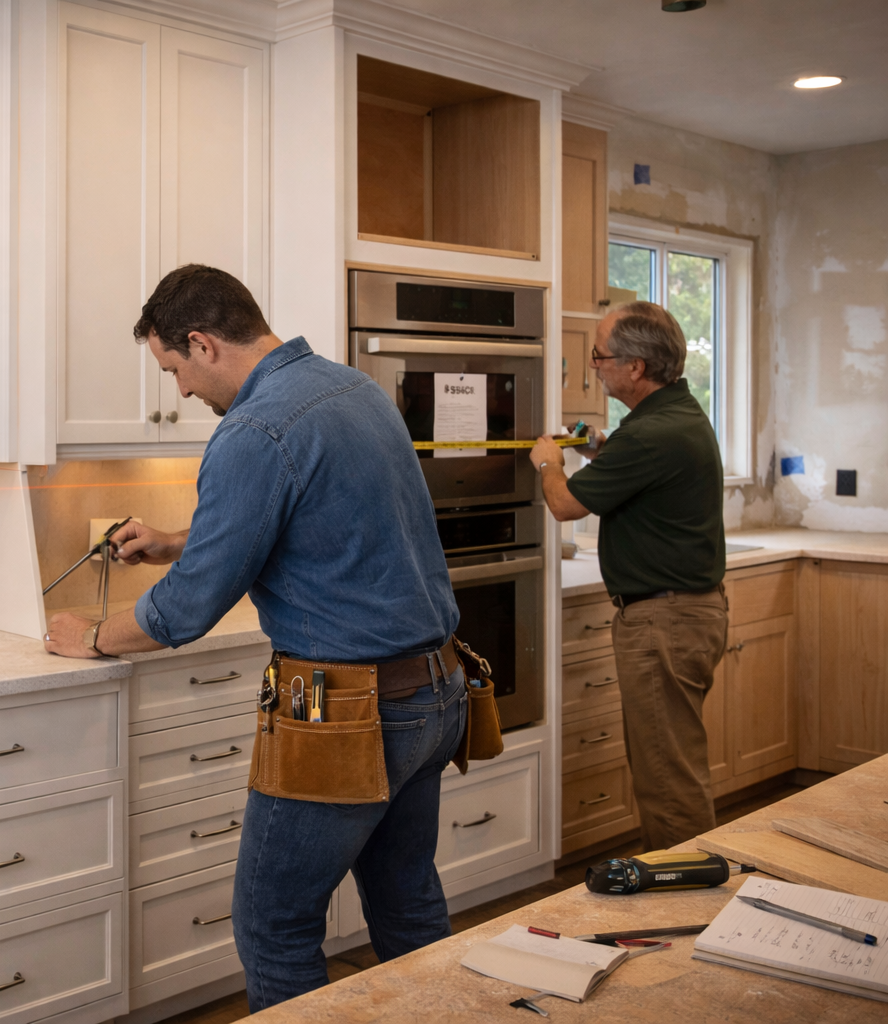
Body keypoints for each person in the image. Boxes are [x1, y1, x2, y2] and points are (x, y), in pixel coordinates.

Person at [44, 265, 464, 1011]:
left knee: (274, 924)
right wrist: (180, 541)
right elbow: (335, 530)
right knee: (407, 908)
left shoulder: (253, 430)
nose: (179, 392)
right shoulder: (354, 390)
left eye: (173, 369)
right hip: (436, 695)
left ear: (202, 344)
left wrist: (91, 638)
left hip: (349, 717)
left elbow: (184, 613)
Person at [531, 301, 726, 852]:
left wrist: (549, 460)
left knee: (666, 773)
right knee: (671, 762)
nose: (594, 365)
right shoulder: (674, 416)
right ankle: (687, 876)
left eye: (600, 355)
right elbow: (641, 466)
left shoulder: (650, 434)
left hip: (665, 620)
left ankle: (686, 891)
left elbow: (566, 505)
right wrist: (600, 449)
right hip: (687, 613)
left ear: (636, 367)